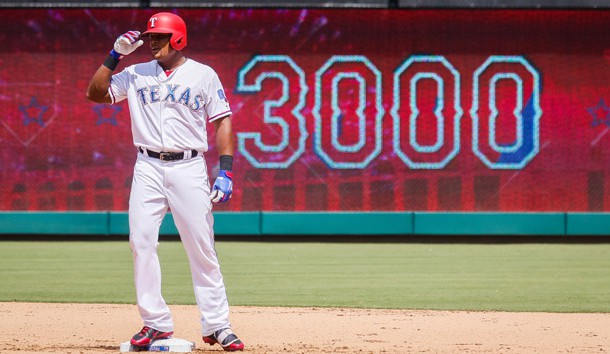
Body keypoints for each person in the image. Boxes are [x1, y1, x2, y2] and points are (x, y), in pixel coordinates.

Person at [86, 12, 244, 352]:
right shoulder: (135, 73)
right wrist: (114, 56)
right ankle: (156, 324)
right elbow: (95, 94)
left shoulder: (203, 75)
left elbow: (222, 121)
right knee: (140, 242)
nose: (152, 41)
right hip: (147, 166)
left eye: (160, 36)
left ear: (179, 39)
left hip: (189, 167)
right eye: (151, 36)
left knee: (201, 248)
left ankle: (218, 326)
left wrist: (227, 170)